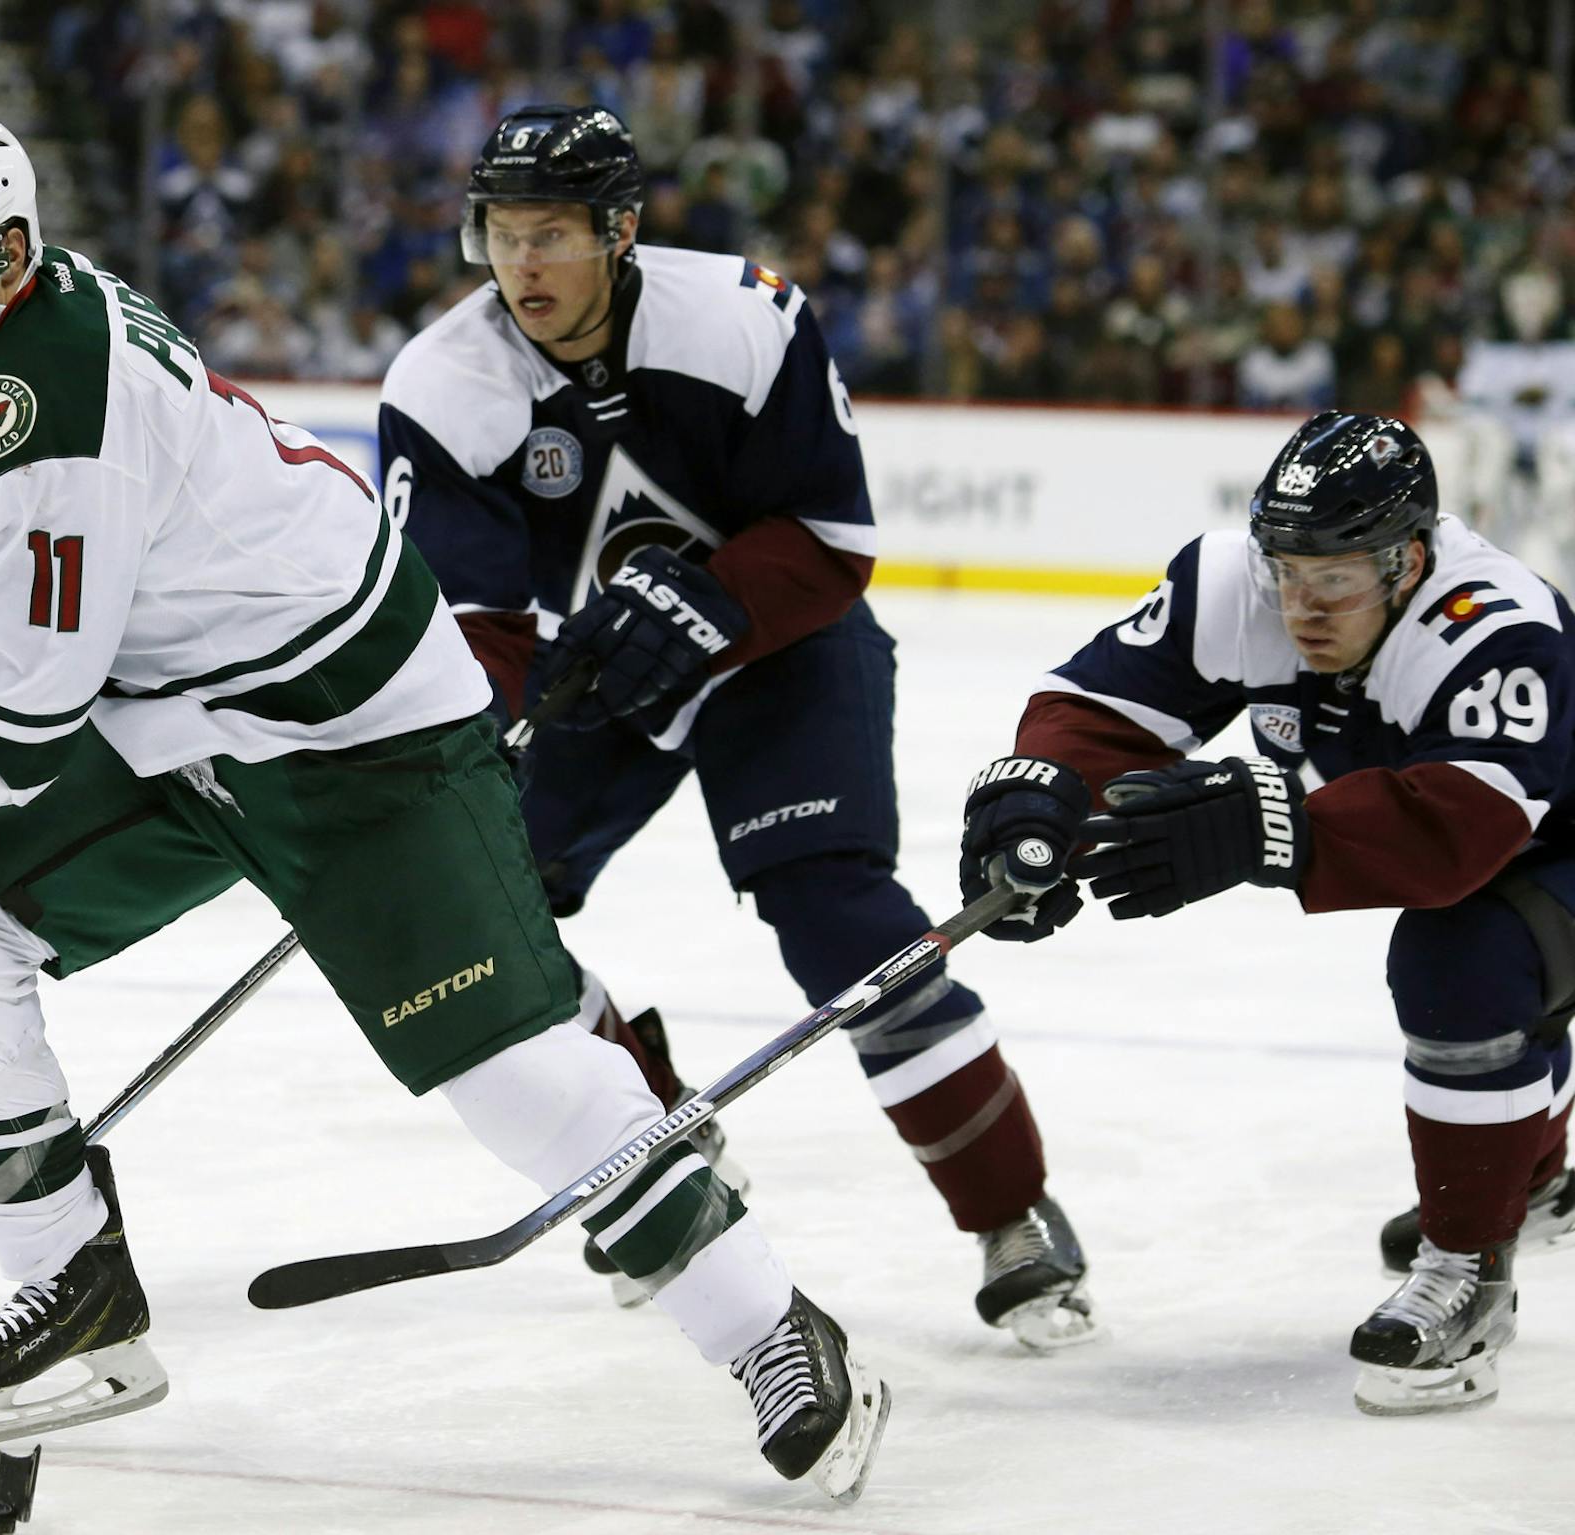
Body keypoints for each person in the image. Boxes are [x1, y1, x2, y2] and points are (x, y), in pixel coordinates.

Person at [0, 111, 887, 1501]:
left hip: (356, 733)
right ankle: (72, 1289)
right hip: (169, 711)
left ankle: (770, 1327)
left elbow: (19, 707)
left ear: (9, 255)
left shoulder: (60, 406)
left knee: (514, 1066)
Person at [378, 104, 1099, 1350]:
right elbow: (481, 625)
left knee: (838, 917)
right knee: (482, 902)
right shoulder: (443, 385)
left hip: (782, 648)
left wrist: (704, 600)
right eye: (502, 234)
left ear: (622, 232)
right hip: (590, 672)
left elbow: (830, 541)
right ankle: (659, 1133)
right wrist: (467, 746)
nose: (524, 266)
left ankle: (1011, 1209)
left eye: (553, 234)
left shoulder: (741, 319)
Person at [959, 410, 1575, 1416]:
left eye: (1334, 578)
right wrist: (1047, 805)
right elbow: (1101, 710)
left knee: (1464, 957)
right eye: (1288, 570)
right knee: (1487, 991)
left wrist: (1265, 824)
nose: (1303, 604)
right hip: (1485, 836)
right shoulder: (1236, 582)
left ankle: (1471, 1268)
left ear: (1408, 557)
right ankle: (1532, 1170)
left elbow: (1461, 834)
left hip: (1548, 838)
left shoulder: (1490, 622)